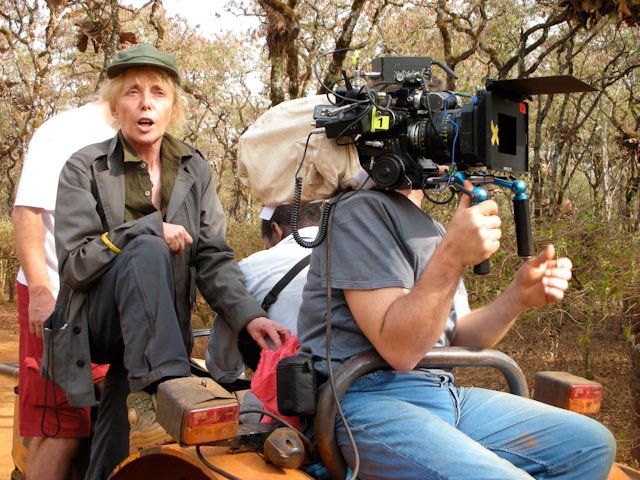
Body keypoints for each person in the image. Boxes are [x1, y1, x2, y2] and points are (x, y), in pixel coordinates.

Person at [50, 43, 290, 480]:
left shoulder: (195, 168)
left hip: (154, 337)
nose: (145, 103)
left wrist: (248, 316)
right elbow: (75, 265)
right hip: (99, 325)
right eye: (132, 92)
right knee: (146, 246)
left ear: (171, 107)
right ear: (114, 107)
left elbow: (213, 256)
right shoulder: (84, 167)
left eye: (158, 93)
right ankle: (164, 387)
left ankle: (144, 399)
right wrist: (143, 229)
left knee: (117, 443)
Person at [297, 186, 616, 479]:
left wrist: (516, 298)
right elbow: (400, 350)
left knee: (590, 445)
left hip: (439, 392)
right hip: (364, 400)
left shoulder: (431, 228)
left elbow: (458, 338)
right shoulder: (357, 209)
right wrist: (451, 255)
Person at [12, 101, 114, 480]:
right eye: (134, 86)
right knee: (60, 424)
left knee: (106, 414)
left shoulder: (150, 138)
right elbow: (28, 213)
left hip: (109, 305)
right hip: (57, 296)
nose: (145, 100)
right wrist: (40, 290)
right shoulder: (65, 131)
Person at [206, 203, 321, 383]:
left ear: (276, 230)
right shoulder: (352, 254)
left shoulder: (251, 268)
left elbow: (222, 366)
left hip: (289, 393)